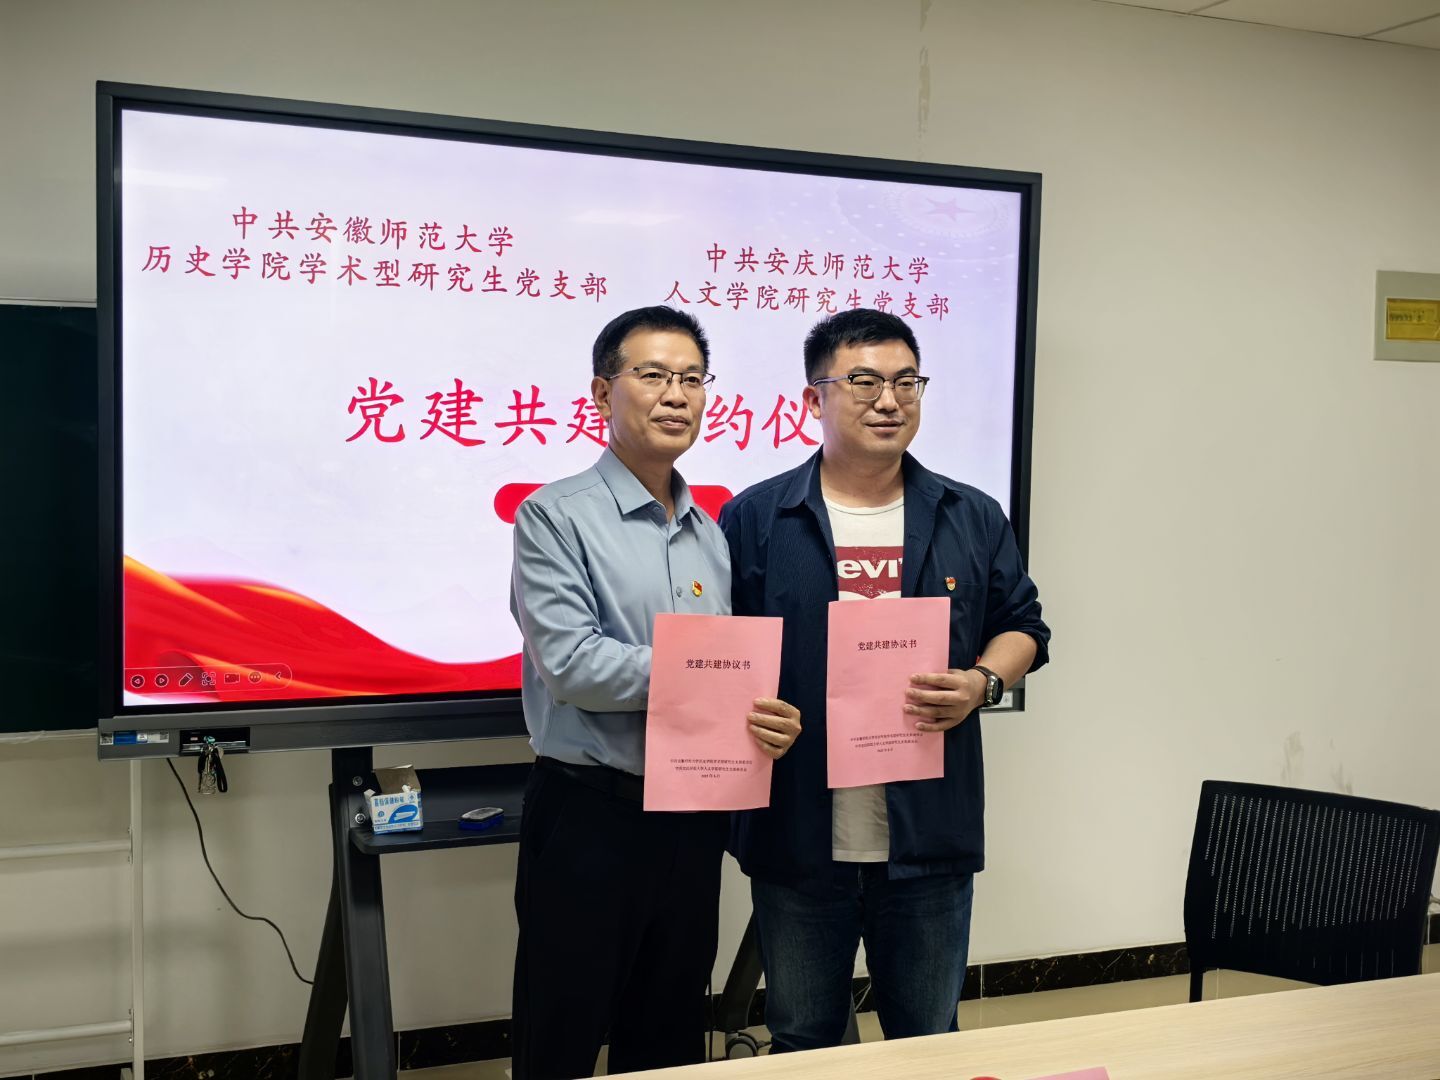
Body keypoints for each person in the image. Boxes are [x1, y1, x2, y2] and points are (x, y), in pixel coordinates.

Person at [720, 308, 1050, 1051]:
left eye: (907, 382)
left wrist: (982, 684)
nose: (889, 401)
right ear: (813, 398)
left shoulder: (971, 514)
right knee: (803, 1041)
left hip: (928, 835)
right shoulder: (756, 518)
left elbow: (1024, 627)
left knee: (928, 1040)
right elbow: (720, 654)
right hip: (799, 836)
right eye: (864, 382)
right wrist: (749, 711)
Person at [508, 305, 801, 1079]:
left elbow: (731, 673)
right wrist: (712, 680)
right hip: (589, 814)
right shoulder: (554, 516)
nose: (677, 395)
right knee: (560, 1033)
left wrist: (763, 714)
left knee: (669, 1037)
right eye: (654, 375)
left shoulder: (712, 532)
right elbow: (572, 664)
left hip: (693, 815)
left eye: (693, 379)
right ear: (603, 393)